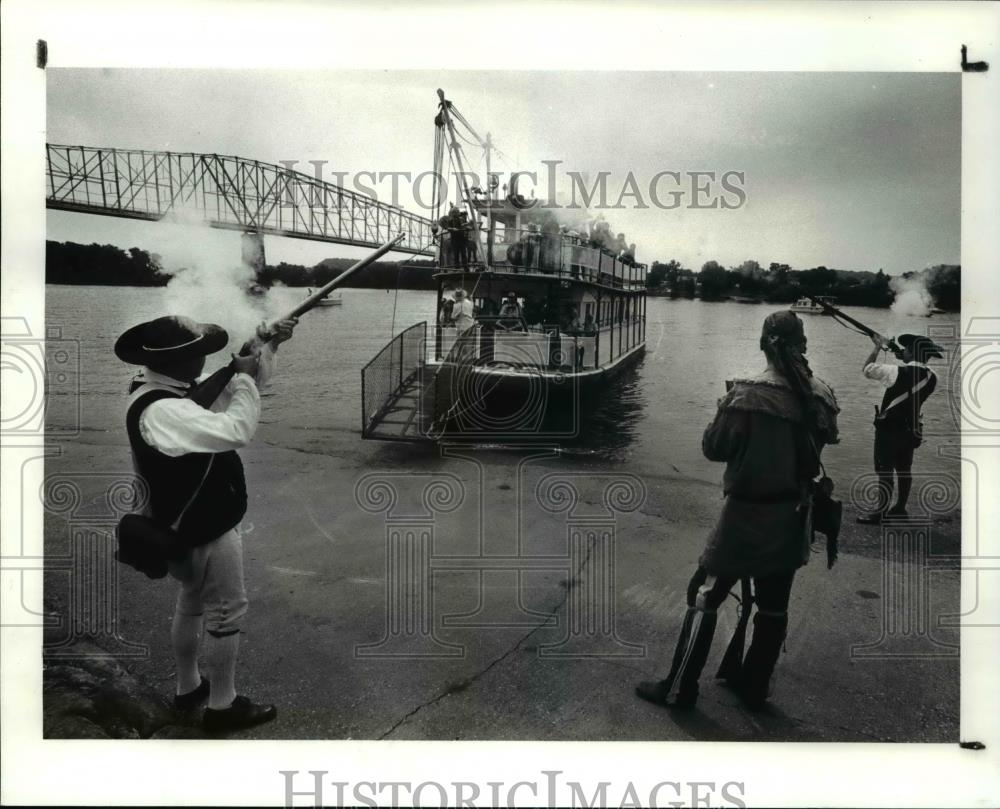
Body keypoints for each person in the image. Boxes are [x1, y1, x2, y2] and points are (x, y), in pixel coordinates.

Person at [636, 311, 839, 711]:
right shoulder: (822, 396)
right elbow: (820, 447)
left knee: (705, 594)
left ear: (763, 343)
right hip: (793, 516)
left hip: (743, 517)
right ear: (803, 345)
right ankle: (754, 686)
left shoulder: (745, 394)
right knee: (774, 607)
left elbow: (714, 449)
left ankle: (679, 689)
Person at [115, 314, 296, 733]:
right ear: (180, 363)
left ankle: (188, 686)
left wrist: (264, 348)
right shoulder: (166, 409)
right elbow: (237, 427)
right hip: (203, 527)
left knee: (191, 604)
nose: (203, 362)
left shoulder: (157, 392)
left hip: (177, 526)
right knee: (226, 614)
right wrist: (244, 380)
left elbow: (211, 392)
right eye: (197, 355)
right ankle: (222, 705)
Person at [857, 332, 943, 523]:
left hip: (889, 429)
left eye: (906, 349)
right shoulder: (933, 377)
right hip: (911, 429)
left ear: (912, 352)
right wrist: (905, 358)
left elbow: (867, 370)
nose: (902, 350)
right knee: (905, 469)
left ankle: (879, 514)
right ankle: (900, 509)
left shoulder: (896, 371)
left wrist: (878, 346)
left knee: (884, 470)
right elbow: (914, 372)